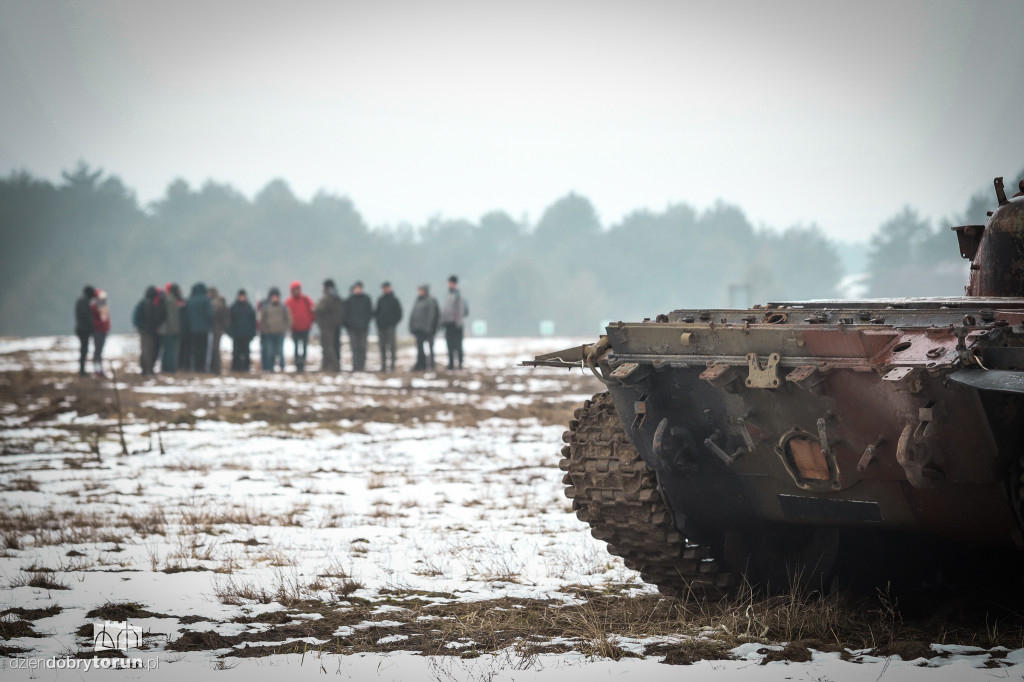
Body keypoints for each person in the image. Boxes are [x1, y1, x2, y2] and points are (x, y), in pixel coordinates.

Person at [132, 285, 166, 375]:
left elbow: (136, 316)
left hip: (144, 330)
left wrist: (138, 326)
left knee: (146, 350)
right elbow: (157, 318)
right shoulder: (153, 304)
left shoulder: (142, 303)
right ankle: (148, 369)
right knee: (150, 351)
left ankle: (146, 369)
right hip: (151, 331)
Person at [315, 279, 345, 372]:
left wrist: (315, 308)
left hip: (326, 326)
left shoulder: (326, 297)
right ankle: (327, 366)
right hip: (335, 326)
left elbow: (321, 309)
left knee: (328, 347)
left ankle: (334, 366)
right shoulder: (337, 297)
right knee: (333, 346)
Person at [285, 280, 316, 372]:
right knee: (295, 348)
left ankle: (302, 363)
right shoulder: (288, 302)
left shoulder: (306, 300)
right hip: (294, 329)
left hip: (305, 328)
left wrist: (309, 322)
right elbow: (286, 315)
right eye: (295, 289)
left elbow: (312, 312)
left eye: (298, 289)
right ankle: (297, 364)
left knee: (304, 347)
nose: (296, 291)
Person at [440, 275, 469, 370]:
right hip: (448, 324)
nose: (449, 285)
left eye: (450, 283)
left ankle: (460, 364)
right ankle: (451, 364)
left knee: (458, 345)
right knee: (450, 345)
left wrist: (458, 323)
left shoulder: (458, 295)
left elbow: (460, 310)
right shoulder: (449, 295)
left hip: (455, 325)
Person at [259, 287, 291, 372]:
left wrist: (284, 329)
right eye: (273, 296)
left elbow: (288, 319)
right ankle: (269, 368)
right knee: (270, 352)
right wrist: (265, 330)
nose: (275, 298)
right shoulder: (266, 307)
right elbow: (262, 320)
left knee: (280, 352)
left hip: (280, 333)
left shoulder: (283, 307)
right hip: (269, 334)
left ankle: (282, 367)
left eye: (276, 296)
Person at [409, 284, 439, 371]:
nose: (419, 292)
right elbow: (413, 314)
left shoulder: (430, 301)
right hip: (418, 329)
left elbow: (431, 316)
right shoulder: (418, 300)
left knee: (430, 348)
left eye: (420, 290)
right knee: (420, 349)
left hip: (427, 329)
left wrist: (429, 327)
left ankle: (431, 365)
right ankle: (420, 364)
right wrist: (412, 326)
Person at [374, 281, 403, 372]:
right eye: (384, 288)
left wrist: (393, 323)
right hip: (381, 327)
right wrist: (378, 323)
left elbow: (399, 314)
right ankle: (383, 365)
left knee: (392, 346)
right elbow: (376, 312)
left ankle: (392, 365)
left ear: (390, 288)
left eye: (387, 288)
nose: (385, 289)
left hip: (390, 327)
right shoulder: (380, 300)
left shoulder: (394, 300)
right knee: (382, 347)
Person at [184, 282, 213, 372]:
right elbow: (209, 314)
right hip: (204, 329)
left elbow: (187, 315)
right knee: (203, 349)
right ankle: (202, 367)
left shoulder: (190, 300)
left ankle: (194, 367)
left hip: (192, 329)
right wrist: (209, 324)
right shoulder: (206, 300)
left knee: (194, 349)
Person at [344, 281, 373, 371]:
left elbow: (370, 313)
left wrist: (365, 323)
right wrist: (349, 325)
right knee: (354, 348)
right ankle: (355, 366)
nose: (358, 290)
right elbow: (345, 314)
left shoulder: (366, 299)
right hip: (352, 329)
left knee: (362, 348)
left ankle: (362, 366)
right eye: (356, 288)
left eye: (359, 288)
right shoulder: (349, 300)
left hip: (363, 328)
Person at [228, 289, 257, 372]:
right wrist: (230, 332)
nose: (242, 298)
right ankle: (235, 368)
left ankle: (246, 368)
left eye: (243, 296)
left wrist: (252, 333)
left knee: (246, 353)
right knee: (236, 353)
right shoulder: (233, 307)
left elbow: (253, 322)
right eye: (240, 296)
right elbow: (230, 321)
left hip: (246, 335)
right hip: (236, 335)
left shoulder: (249, 307)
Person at [159, 284, 183, 373]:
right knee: (171, 350)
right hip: (170, 330)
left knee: (166, 350)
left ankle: (166, 368)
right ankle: (170, 369)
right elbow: (172, 318)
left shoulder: (166, 298)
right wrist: (175, 330)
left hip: (165, 330)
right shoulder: (171, 301)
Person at [74, 285, 96, 376]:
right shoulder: (84, 302)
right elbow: (86, 316)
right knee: (84, 349)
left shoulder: (81, 301)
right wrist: (92, 326)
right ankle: (82, 371)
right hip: (84, 329)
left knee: (84, 349)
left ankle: (82, 370)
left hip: (82, 328)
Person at [90, 289, 111, 377]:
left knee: (99, 350)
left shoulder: (103, 306)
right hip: (98, 331)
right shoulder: (95, 307)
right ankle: (97, 369)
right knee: (97, 350)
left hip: (103, 331)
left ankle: (99, 369)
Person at [209, 286, 229, 374]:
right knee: (215, 349)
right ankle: (216, 368)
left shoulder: (214, 303)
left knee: (214, 349)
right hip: (218, 329)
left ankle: (215, 369)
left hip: (215, 328)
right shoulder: (221, 302)